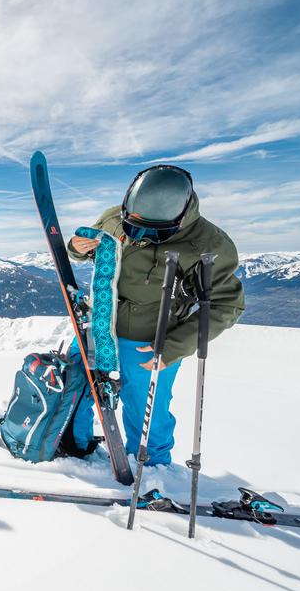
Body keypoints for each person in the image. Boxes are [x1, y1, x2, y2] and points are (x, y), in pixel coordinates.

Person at [67, 165, 244, 466]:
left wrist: (173, 348)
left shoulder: (208, 245)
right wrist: (77, 249)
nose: (140, 236)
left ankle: (151, 468)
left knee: (145, 409)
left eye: (153, 232)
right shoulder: (113, 218)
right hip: (97, 327)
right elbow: (93, 252)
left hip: (148, 342)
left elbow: (226, 305)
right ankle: (72, 446)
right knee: (76, 387)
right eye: (133, 225)